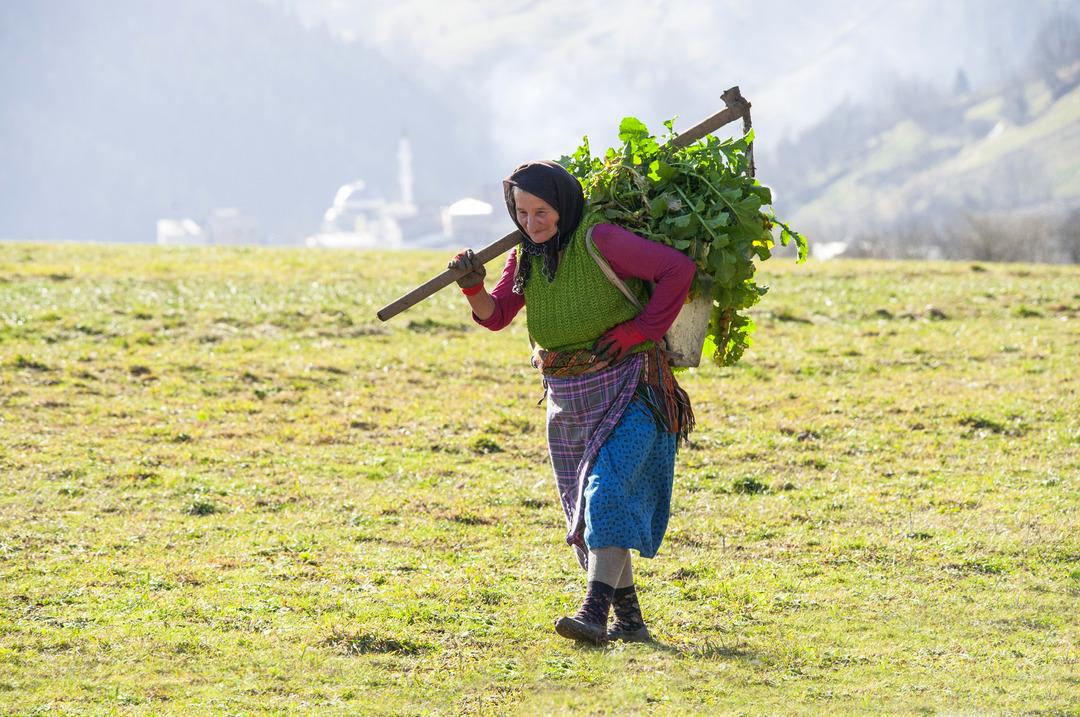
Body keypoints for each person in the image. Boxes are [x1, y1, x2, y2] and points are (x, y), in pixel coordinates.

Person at [448, 160, 695, 645]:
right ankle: (631, 623)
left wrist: (640, 330)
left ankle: (593, 614)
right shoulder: (526, 257)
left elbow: (676, 270)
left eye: (542, 212)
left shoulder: (599, 239)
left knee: (604, 495)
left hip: (632, 386)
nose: (532, 224)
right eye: (521, 213)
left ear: (564, 205)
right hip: (568, 398)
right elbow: (496, 315)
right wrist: (472, 285)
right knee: (594, 503)